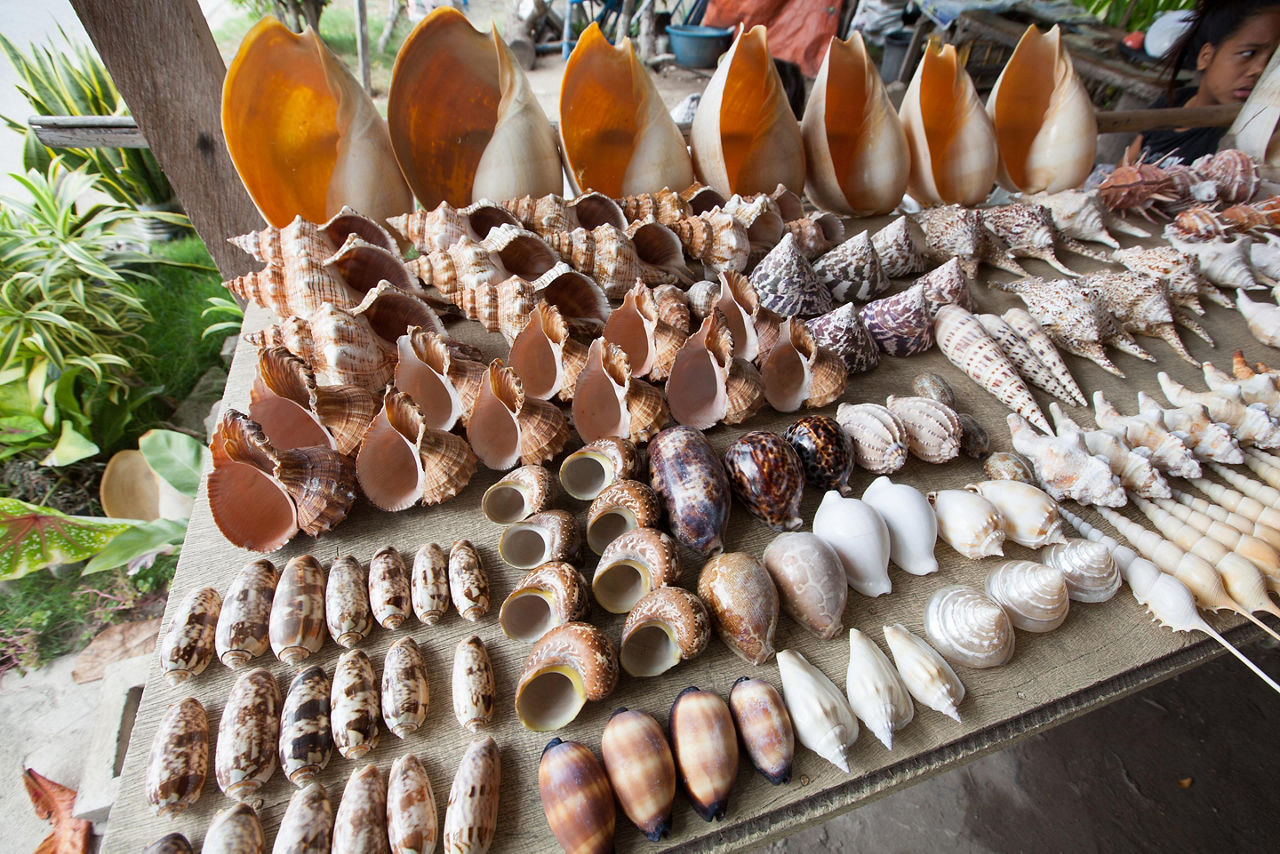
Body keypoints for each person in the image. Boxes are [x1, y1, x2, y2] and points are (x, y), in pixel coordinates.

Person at [1126, 0, 1280, 164]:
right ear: (1206, 56)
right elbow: (1122, 170)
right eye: (1248, 53)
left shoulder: (1249, 137)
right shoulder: (1173, 102)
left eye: (1274, 62)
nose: (1261, 70)